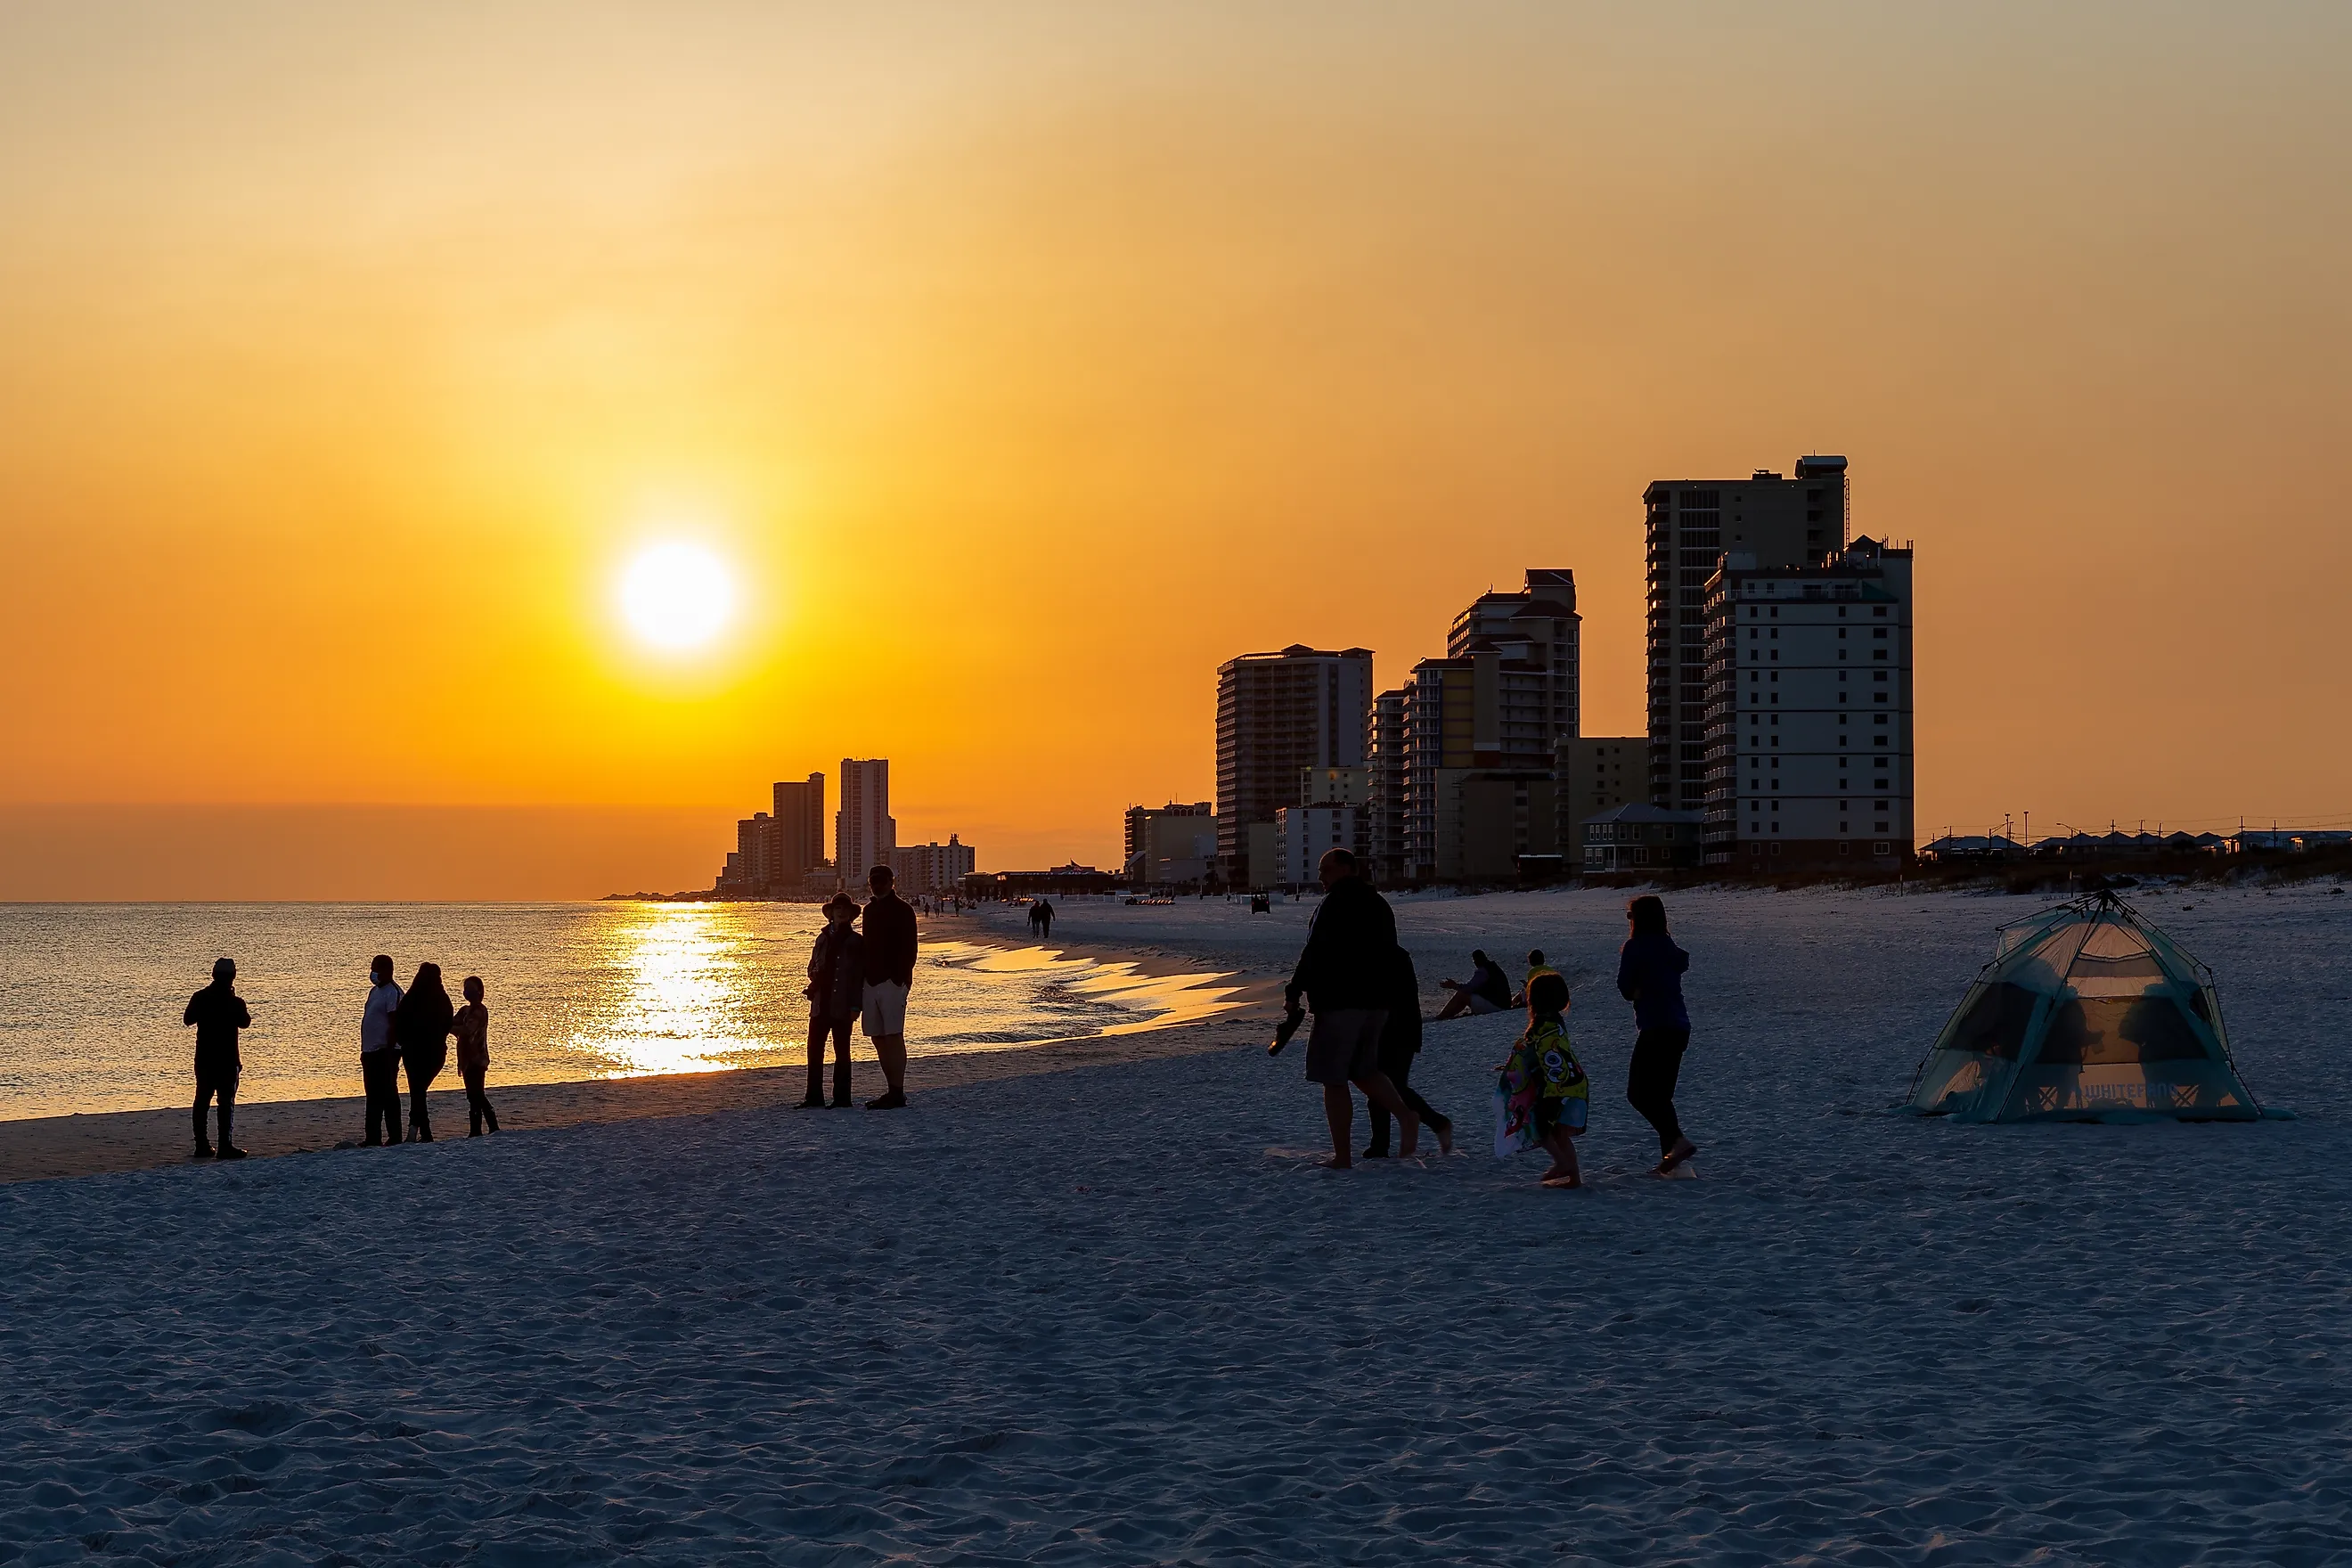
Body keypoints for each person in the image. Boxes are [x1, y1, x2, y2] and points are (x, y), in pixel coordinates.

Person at [1279, 847, 1422, 1169]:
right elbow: (1392, 953)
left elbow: (1315, 951)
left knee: (1334, 1078)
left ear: (1345, 869)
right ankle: (1406, 1116)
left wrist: (1294, 991)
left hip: (1340, 1002)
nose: (1320, 877)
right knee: (1364, 1070)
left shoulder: (1333, 903)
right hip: (1377, 1004)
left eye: (1325, 870)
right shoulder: (1379, 903)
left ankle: (1342, 1156)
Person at [1617, 894, 1697, 1175]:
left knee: (1638, 1094)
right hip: (1679, 1027)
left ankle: (1678, 1142)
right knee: (1661, 1096)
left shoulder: (1634, 947)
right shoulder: (1667, 945)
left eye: (1630, 916)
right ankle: (1672, 1162)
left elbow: (1625, 988)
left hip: (1655, 1027)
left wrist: (1641, 990)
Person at [1493, 971, 1588, 1188]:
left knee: (1539, 1124)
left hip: (1558, 1087)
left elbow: (1530, 1052)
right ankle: (1574, 1178)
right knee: (1560, 1132)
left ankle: (1562, 1163)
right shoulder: (1557, 1022)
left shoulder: (1540, 1026)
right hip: (1575, 1083)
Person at [1363, 943, 1453, 1158]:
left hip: (1394, 1029)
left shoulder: (1386, 956)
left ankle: (1437, 1123)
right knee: (1385, 1086)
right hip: (1401, 1029)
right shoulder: (1394, 954)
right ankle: (1380, 1145)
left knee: (1387, 1086)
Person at [859, 865, 918, 1109]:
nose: (877, 885)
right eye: (873, 881)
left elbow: (910, 948)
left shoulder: (904, 909)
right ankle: (892, 1088)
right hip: (870, 981)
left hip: (893, 983)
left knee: (893, 1035)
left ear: (891, 882)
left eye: (881, 881)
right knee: (877, 1036)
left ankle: (897, 1090)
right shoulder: (869, 910)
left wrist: (900, 979)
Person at [183, 957, 252, 1160]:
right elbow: (245, 1022)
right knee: (226, 1102)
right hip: (227, 1059)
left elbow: (188, 1019)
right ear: (233, 977)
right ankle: (224, 1146)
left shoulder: (200, 997)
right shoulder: (235, 1002)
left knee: (202, 1101)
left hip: (204, 1058)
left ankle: (201, 1145)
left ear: (213, 975)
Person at [800, 892, 863, 1108]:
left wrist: (856, 1006)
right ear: (832, 913)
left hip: (843, 1004)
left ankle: (842, 1098)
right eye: (838, 909)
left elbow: (858, 977)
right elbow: (811, 966)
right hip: (820, 1003)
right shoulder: (822, 938)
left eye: (845, 909)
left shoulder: (856, 941)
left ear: (851, 915)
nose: (842, 912)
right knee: (814, 1051)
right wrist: (815, 975)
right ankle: (814, 1097)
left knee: (842, 1052)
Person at [394, 962, 454, 1142]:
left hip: (413, 1051)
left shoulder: (412, 997)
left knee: (417, 1090)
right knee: (419, 1090)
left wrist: (403, 1042)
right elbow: (447, 1024)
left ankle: (417, 1130)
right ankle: (422, 1132)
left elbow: (399, 1022)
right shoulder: (443, 999)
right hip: (435, 1052)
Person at [361, 955, 404, 1147]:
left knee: (388, 1094)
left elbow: (395, 1022)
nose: (373, 973)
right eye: (372, 968)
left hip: (386, 1051)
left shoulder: (393, 992)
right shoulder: (374, 992)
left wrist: (390, 1049)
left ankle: (395, 1136)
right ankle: (373, 1137)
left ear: (388, 970)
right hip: (370, 1051)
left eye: (376, 969)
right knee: (372, 1095)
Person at [452, 976, 497, 1136]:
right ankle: (478, 1129)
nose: (467, 992)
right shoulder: (465, 1010)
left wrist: (449, 1028)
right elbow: (452, 1022)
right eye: (466, 989)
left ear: (479, 991)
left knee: (477, 1094)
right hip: (465, 1059)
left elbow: (467, 1031)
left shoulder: (480, 1011)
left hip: (478, 1059)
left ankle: (487, 1126)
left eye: (471, 989)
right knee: (473, 1095)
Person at [1434, 950, 1512, 1020]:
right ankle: (1447, 1015)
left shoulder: (1484, 971)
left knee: (1461, 995)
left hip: (1497, 1006)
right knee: (1465, 995)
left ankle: (1441, 1017)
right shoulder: (1493, 968)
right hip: (1502, 1005)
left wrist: (1454, 986)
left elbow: (1470, 988)